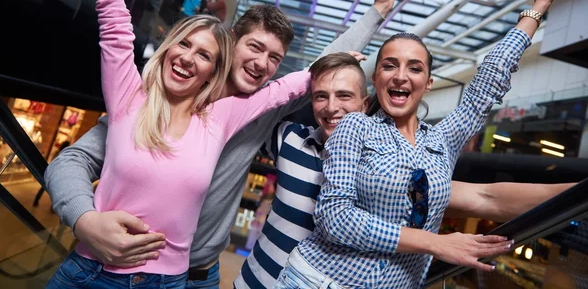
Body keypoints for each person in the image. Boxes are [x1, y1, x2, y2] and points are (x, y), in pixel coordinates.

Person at [45, 0, 398, 289]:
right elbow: (72, 160)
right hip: (117, 265)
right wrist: (84, 220)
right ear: (230, 41)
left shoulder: (260, 110)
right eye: (255, 48)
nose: (262, 63)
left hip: (200, 273)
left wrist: (377, 11)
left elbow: (318, 70)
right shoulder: (158, 99)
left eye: (274, 58)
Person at [46, 0, 313, 287]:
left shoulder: (221, 118)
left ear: (212, 71)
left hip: (168, 282)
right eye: (183, 44)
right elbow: (115, 16)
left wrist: (353, 64)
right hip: (91, 272)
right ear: (167, 49)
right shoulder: (129, 99)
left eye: (204, 55)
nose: (189, 57)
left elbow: (294, 84)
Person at [274, 0, 570, 289]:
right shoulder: (355, 127)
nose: (401, 76)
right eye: (390, 65)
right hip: (318, 281)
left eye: (414, 68)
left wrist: (537, 8)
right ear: (376, 80)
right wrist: (434, 243)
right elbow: (335, 219)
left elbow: (487, 84)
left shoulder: (442, 141)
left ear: (428, 84)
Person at [235, 52, 576, 289]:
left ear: (364, 105)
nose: (332, 107)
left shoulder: (389, 175)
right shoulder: (289, 140)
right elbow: (244, 116)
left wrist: (576, 194)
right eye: (321, 97)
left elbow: (488, 195)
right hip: (255, 280)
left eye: (344, 96)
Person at [33, 140, 71, 207]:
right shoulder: (65, 154)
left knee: (43, 187)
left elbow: (52, 161)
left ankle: (36, 201)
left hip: (50, 172)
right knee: (56, 191)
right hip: (58, 174)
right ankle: (52, 207)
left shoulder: (57, 152)